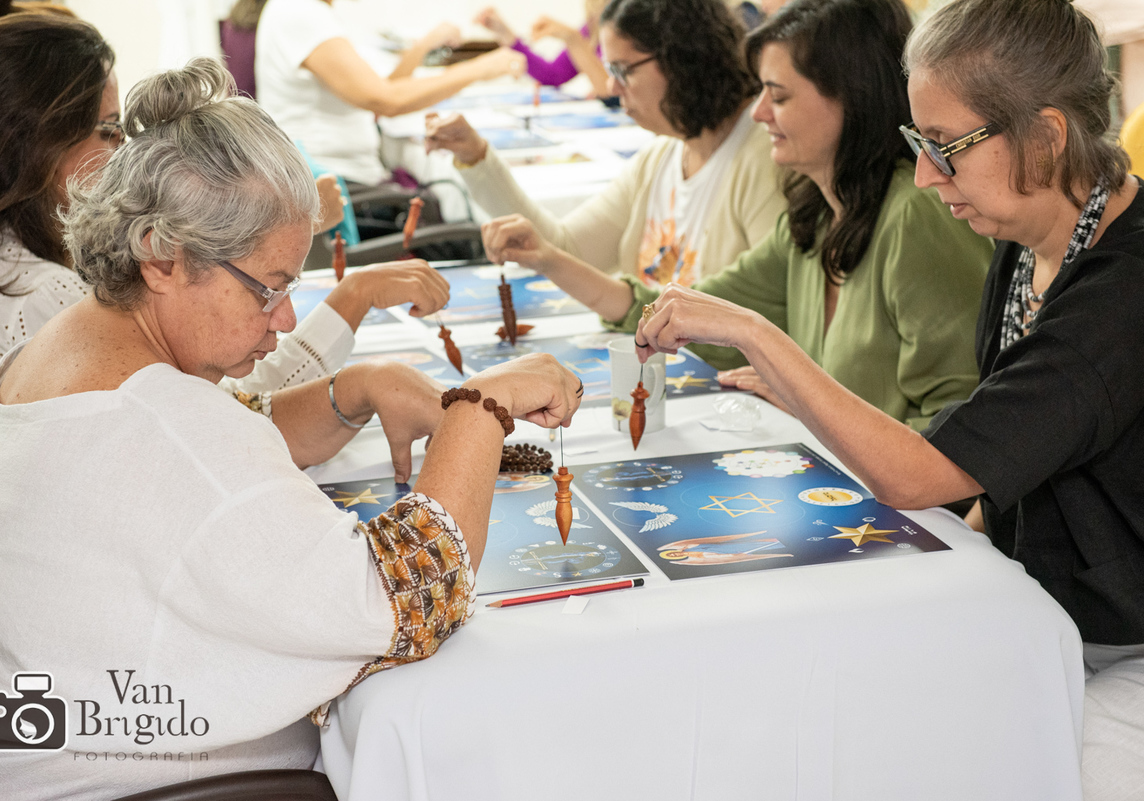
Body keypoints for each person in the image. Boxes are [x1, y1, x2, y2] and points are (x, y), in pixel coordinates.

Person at [0, 56, 581, 800]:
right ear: (161, 257)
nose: (283, 320)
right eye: (267, 289)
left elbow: (223, 433)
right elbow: (414, 595)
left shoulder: (73, 345)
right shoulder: (170, 431)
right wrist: (482, 405)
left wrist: (354, 389)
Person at [629, 0, 1143, 796]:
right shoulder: (1025, 244)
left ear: (1045, 137)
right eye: (918, 144)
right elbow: (1000, 465)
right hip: (1052, 607)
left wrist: (763, 337)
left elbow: (931, 471)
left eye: (947, 148)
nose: (929, 175)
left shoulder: (1119, 293)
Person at [0, 13, 442, 494]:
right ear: (36, 147)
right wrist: (351, 304)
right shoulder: (41, 294)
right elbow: (225, 415)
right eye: (108, 130)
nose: (121, 152)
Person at [482, 0, 993, 430]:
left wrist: (811, 407)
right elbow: (694, 312)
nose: (759, 113)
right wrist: (551, 259)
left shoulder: (916, 214)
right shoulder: (814, 215)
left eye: (780, 95)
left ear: (851, 99)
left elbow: (965, 431)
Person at [428, 0, 786, 286]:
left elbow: (765, 310)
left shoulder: (764, 159)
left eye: (622, 70)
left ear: (683, 59)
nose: (612, 88)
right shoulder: (663, 157)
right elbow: (565, 249)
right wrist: (476, 157)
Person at [255, 0, 526, 187]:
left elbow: (380, 90)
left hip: (342, 179)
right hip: (342, 184)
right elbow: (386, 101)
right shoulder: (301, 14)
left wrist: (423, 46)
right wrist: (478, 68)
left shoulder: (304, 11)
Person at [473, 2, 610, 91]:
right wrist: (505, 33)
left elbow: (615, 93)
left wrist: (574, 40)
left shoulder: (626, 23)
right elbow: (553, 75)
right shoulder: (593, 27)